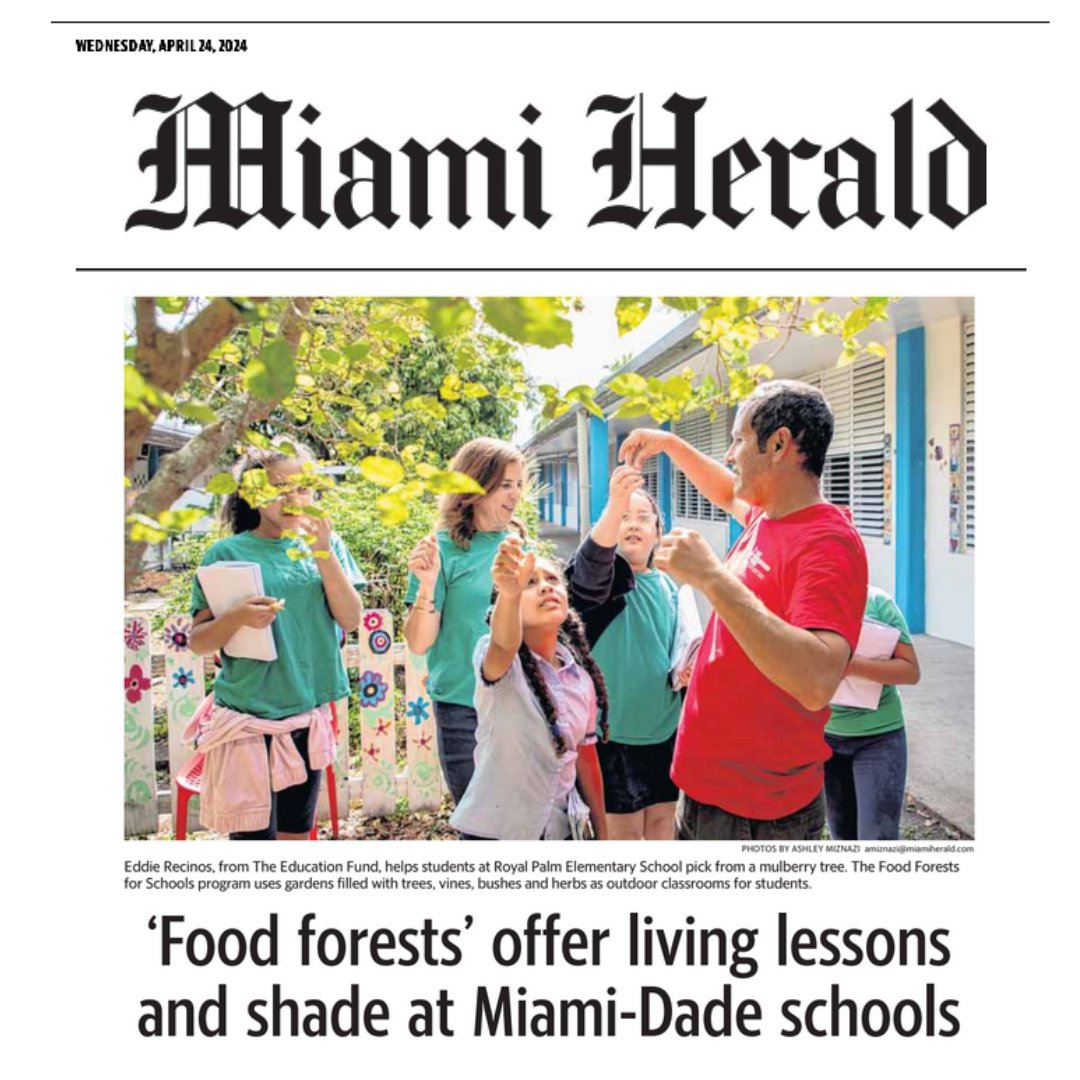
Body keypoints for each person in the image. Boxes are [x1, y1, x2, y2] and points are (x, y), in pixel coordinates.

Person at [620, 379, 868, 841]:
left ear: (778, 444)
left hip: (756, 813)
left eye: (738, 440)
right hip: (705, 789)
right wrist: (671, 445)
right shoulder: (768, 517)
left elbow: (816, 681)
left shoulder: (827, 542)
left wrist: (713, 578)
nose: (731, 454)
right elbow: (726, 490)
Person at [187, 448, 365, 840]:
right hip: (247, 718)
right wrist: (235, 617)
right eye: (278, 488)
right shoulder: (226, 553)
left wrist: (322, 552)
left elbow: (351, 619)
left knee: (296, 836)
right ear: (251, 494)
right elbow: (199, 642)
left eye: (302, 488)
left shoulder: (328, 547)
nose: (292, 498)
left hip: (305, 713)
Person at [450, 538, 608, 841]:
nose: (546, 587)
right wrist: (509, 593)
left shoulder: (580, 679)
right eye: (530, 583)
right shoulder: (499, 661)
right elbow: (504, 643)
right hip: (495, 834)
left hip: (558, 833)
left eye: (552, 579)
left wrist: (603, 833)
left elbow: (586, 759)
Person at [403, 438, 527, 805]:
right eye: (506, 485)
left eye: (519, 484)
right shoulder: (440, 549)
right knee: (480, 827)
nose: (516, 494)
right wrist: (427, 584)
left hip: (517, 703)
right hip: (462, 709)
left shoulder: (521, 547)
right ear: (473, 488)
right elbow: (419, 643)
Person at [566, 465, 687, 840]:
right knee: (623, 836)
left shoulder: (669, 586)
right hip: (612, 735)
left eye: (642, 518)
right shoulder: (608, 580)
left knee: (663, 826)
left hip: (664, 731)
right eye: (623, 517)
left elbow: (676, 647)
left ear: (657, 532)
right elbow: (587, 572)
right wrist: (615, 503)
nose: (632, 524)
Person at [824, 587, 921, 840]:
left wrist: (852, 666)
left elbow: (911, 671)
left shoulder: (879, 604)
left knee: (878, 839)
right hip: (825, 738)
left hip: (879, 738)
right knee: (842, 836)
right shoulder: (806, 600)